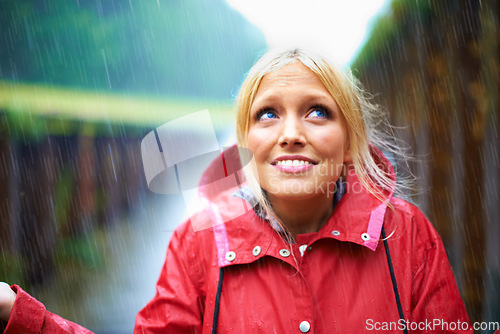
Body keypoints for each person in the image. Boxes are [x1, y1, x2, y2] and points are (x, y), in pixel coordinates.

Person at [0, 48, 475, 333]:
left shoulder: (407, 236)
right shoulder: (198, 244)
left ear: (350, 139)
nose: (290, 132)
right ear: (245, 143)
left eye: (317, 111)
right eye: (267, 114)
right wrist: (15, 314)